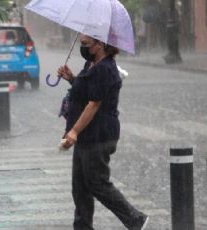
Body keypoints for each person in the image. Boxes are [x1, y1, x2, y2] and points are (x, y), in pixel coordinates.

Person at [57, 34, 149, 230]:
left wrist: (73, 131)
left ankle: (135, 219)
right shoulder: (91, 64)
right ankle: (82, 227)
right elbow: (85, 92)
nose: (83, 48)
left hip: (99, 135)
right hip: (87, 134)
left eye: (86, 44)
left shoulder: (105, 69)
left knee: (97, 183)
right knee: (80, 187)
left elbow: (94, 103)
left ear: (100, 44)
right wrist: (72, 79)